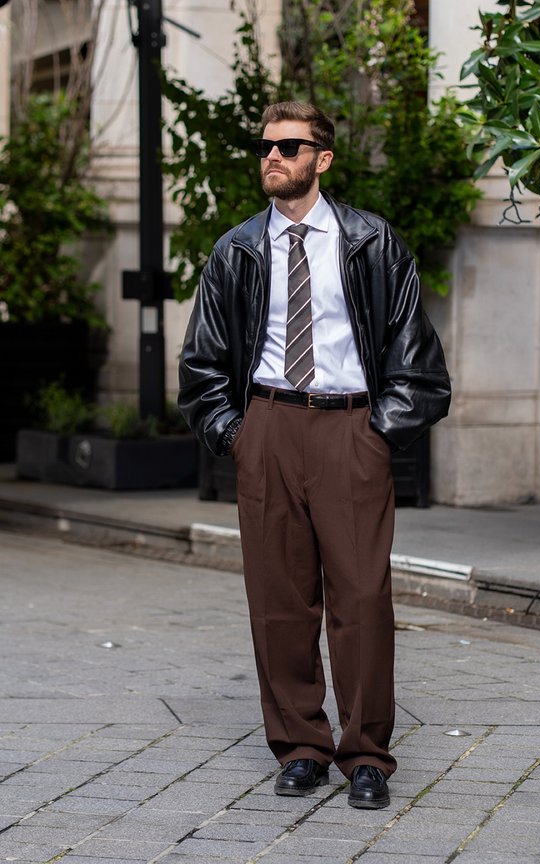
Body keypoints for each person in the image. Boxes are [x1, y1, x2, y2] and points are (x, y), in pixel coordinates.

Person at [179, 101, 451, 809]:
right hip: (266, 427)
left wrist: (378, 433)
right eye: (267, 147)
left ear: (322, 159)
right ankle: (300, 746)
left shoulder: (371, 244)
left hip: (349, 430)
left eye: (289, 147)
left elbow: (419, 361)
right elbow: (202, 365)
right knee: (278, 601)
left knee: (362, 598)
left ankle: (365, 755)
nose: (273, 157)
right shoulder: (236, 250)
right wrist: (236, 437)